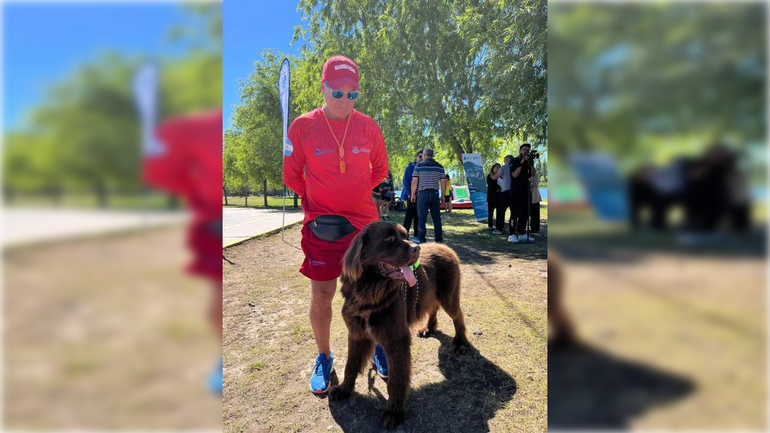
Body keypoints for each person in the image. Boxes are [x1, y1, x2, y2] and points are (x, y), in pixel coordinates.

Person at [282, 55, 390, 395]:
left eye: (352, 94)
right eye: (338, 93)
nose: (345, 100)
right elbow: (291, 175)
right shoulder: (302, 127)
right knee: (322, 295)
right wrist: (319, 197)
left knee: (375, 293)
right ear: (323, 88)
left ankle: (378, 348)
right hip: (321, 225)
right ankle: (324, 358)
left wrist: (355, 193)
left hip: (365, 227)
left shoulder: (368, 126)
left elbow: (380, 170)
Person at [143, 109, 223, 394]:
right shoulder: (191, 127)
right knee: (211, 295)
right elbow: (163, 175)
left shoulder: (217, 125)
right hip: (205, 222)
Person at [411, 147, 447, 244]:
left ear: (424, 155)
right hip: (434, 194)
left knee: (422, 219)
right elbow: (443, 182)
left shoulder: (419, 166)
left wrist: (412, 194)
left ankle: (422, 240)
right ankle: (438, 240)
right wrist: (443, 195)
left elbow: (414, 181)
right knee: (436, 219)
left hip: (422, 194)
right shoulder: (439, 167)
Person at [511, 143, 537, 241]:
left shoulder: (529, 161)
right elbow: (514, 175)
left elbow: (533, 174)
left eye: (528, 150)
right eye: (525, 149)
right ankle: (512, 234)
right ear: (520, 150)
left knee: (525, 213)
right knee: (514, 213)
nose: (526, 152)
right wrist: (522, 162)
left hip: (525, 191)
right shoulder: (514, 160)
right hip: (515, 191)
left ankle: (522, 233)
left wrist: (530, 163)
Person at [401, 151, 423, 238]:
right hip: (410, 195)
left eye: (423, 157)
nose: (421, 159)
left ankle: (416, 235)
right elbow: (405, 181)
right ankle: (404, 235)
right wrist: (410, 194)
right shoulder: (410, 167)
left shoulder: (423, 168)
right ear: (416, 157)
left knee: (418, 216)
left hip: (420, 196)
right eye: (420, 156)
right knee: (409, 216)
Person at [491, 155, 514, 236]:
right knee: (514, 212)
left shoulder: (505, 167)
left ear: (508, 159)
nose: (504, 161)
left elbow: (494, 177)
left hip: (505, 191)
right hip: (514, 191)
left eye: (505, 159)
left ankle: (499, 229)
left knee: (500, 211)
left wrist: (491, 174)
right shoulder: (514, 167)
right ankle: (512, 230)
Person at [486, 163, 502, 231]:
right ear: (493, 168)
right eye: (496, 167)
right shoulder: (490, 175)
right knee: (491, 212)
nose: (498, 168)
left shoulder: (500, 176)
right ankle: (490, 226)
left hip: (499, 196)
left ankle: (499, 226)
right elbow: (491, 185)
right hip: (491, 196)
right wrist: (498, 187)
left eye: (499, 167)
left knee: (499, 212)